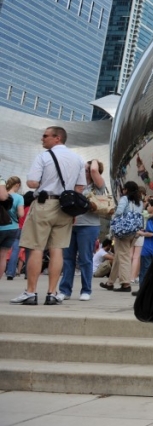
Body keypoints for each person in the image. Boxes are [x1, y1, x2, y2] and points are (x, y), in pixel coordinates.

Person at [11, 127, 86, 306]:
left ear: (57, 138)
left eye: (45, 136)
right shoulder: (78, 159)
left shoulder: (44, 156)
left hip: (45, 204)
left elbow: (32, 182)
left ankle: (31, 292)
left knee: (36, 247)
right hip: (65, 208)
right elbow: (80, 187)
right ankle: (52, 293)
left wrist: (37, 182)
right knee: (57, 249)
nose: (42, 139)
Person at [58, 159, 107, 301]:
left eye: (86, 170)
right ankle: (65, 290)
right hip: (70, 225)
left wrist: (94, 163)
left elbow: (93, 170)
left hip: (88, 226)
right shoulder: (74, 184)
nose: (84, 172)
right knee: (67, 259)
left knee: (85, 259)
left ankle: (86, 290)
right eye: (83, 169)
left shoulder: (98, 186)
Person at [101, 181, 145, 293]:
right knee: (119, 255)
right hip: (133, 232)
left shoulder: (125, 199)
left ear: (126, 190)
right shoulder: (139, 201)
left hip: (122, 231)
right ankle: (110, 282)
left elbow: (119, 211)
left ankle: (125, 284)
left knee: (124, 256)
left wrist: (113, 213)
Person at [0, 177, 25, 281]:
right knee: (3, 255)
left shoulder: (5, 195)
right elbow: (21, 214)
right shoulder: (19, 198)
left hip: (1, 226)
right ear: (18, 185)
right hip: (13, 227)